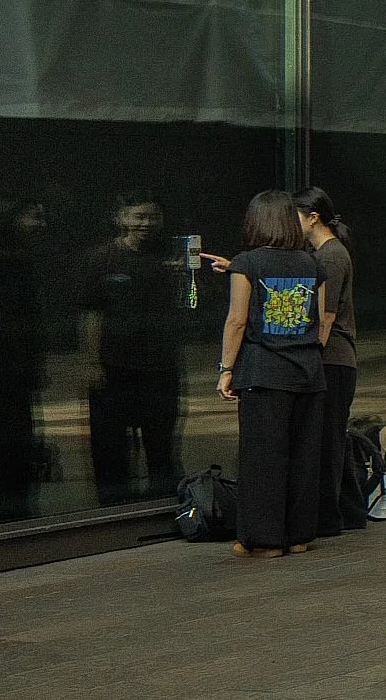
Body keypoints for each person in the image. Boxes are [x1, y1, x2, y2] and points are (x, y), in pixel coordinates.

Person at [215, 188, 332, 559]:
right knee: (303, 457)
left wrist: (226, 370)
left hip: (264, 373)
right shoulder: (313, 265)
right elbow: (321, 320)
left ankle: (264, 540)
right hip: (309, 374)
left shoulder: (248, 263)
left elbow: (237, 321)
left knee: (262, 459)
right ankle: (298, 536)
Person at [80, 191, 186, 504]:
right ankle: (113, 513)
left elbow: (188, 305)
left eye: (152, 216)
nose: (146, 223)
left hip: (160, 368)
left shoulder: (170, 258)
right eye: (138, 216)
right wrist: (91, 362)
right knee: (110, 449)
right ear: (121, 218)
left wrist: (185, 280)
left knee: (162, 447)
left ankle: (162, 508)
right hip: (115, 368)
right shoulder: (101, 258)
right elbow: (90, 313)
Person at [294, 187, 362, 537]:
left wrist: (309, 356)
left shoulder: (331, 257)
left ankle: (330, 518)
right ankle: (351, 512)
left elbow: (327, 316)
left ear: (312, 217)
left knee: (329, 439)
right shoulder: (321, 253)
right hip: (336, 360)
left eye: (295, 217)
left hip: (333, 360)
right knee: (335, 436)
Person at [0, 201, 47, 522]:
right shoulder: (18, 268)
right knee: (15, 441)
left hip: (14, 371)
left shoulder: (22, 267)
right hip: (13, 370)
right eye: (31, 217)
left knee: (15, 443)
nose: (38, 224)